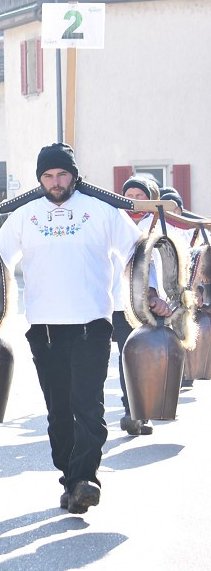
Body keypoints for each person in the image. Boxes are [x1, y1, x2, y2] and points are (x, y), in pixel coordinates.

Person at [0, 144, 171, 515]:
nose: (55, 182)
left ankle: (85, 478)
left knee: (87, 407)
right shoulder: (26, 215)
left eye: (62, 175)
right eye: (48, 176)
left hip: (92, 324)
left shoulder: (102, 211)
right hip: (44, 329)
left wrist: (151, 291)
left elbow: (137, 252)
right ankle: (71, 479)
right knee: (58, 411)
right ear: (40, 179)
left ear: (74, 175)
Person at [112, 176, 159, 436]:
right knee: (125, 356)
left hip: (145, 303)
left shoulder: (157, 224)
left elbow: (158, 262)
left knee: (144, 358)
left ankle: (142, 411)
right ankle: (130, 409)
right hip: (116, 303)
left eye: (140, 195)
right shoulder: (116, 222)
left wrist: (155, 295)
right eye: (129, 194)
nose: (134, 199)